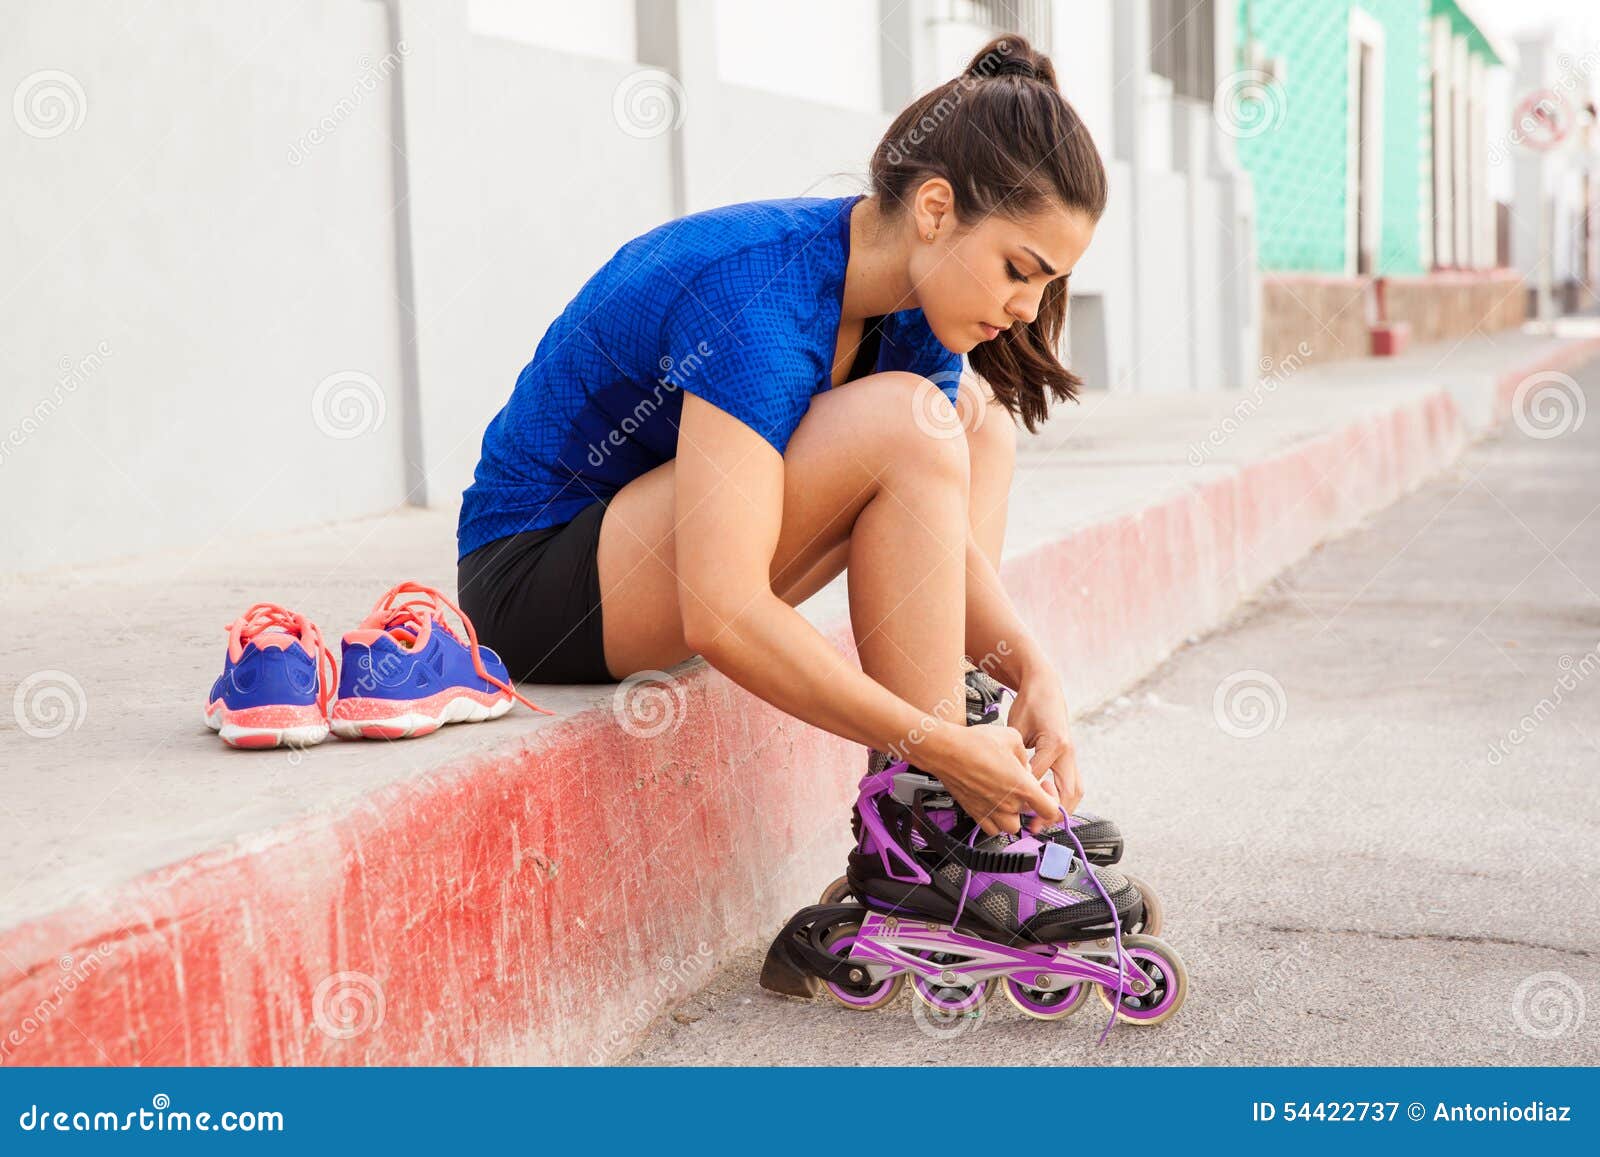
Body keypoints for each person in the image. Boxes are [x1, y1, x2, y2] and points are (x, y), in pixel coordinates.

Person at [456, 35, 1106, 838]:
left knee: (976, 428)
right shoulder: (760, 295)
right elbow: (721, 611)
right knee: (908, 425)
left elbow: (936, 543)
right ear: (935, 210)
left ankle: (935, 773)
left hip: (645, 559)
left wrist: (1032, 667)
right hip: (535, 583)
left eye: (1047, 285)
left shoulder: (917, 311)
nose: (1028, 309)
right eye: (1018, 270)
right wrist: (937, 745)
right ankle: (927, 805)